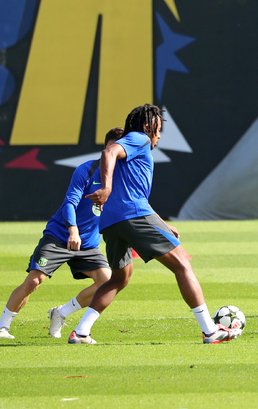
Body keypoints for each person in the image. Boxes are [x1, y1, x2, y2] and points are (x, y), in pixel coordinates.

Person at [68, 104, 241, 344]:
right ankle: (210, 331)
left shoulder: (131, 151)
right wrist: (106, 187)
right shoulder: (138, 138)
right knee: (182, 265)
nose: (159, 136)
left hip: (110, 222)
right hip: (132, 216)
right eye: (158, 130)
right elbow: (108, 154)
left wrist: (161, 223)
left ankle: (81, 332)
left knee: (119, 279)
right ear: (149, 126)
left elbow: (134, 195)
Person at [0, 128, 124, 340]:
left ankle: (61, 313)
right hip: (60, 236)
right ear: (106, 149)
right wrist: (72, 229)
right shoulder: (87, 169)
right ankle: (2, 327)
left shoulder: (123, 177)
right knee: (34, 280)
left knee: (107, 282)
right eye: (114, 148)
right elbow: (70, 202)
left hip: (88, 244)